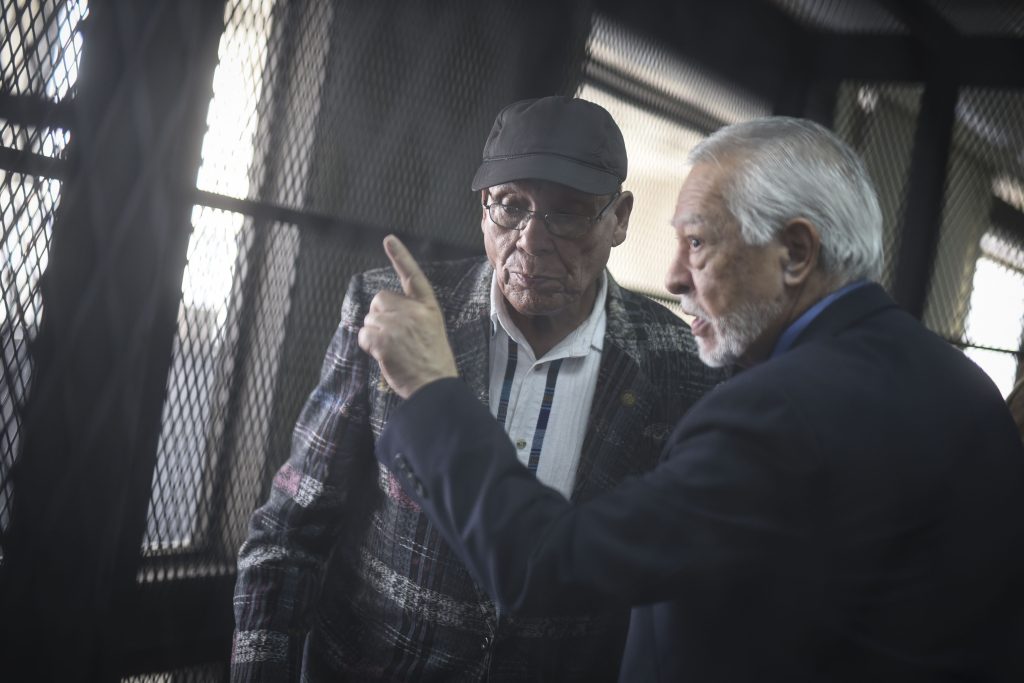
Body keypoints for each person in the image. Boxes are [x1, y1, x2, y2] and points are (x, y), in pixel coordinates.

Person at [360, 117, 1024, 682]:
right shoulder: (960, 384)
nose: (674, 274)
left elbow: (547, 568)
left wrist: (429, 388)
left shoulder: (774, 412)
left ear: (794, 252)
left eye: (699, 242)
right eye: (510, 205)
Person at [231, 96, 723, 681]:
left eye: (568, 214)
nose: (533, 241)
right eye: (511, 206)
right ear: (482, 209)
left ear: (619, 219)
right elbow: (291, 531)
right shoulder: (394, 312)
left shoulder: (679, 363)